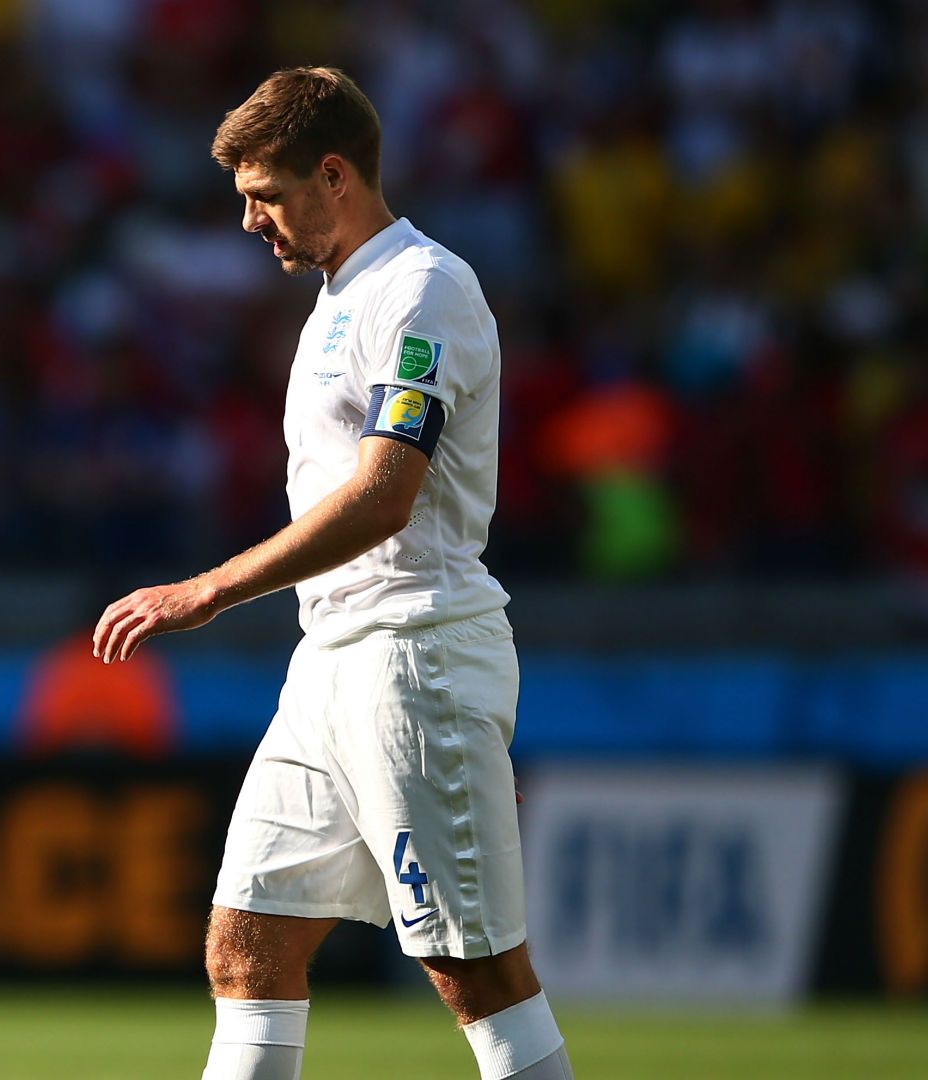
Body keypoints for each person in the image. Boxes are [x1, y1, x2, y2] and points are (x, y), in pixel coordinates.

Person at [90, 68, 572, 1080]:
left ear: (336, 175)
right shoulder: (337, 297)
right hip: (333, 661)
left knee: (476, 976)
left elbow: (386, 494)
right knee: (247, 947)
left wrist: (209, 589)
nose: (249, 221)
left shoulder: (424, 288)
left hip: (413, 654)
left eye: (264, 194)